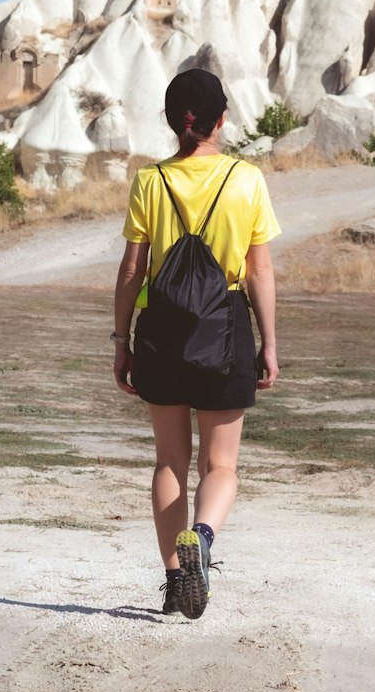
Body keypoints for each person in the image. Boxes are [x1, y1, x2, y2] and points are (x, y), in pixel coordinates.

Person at [113, 68, 280, 620]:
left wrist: (121, 341)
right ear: (222, 119)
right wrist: (270, 344)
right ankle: (202, 540)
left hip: (160, 327)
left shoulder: (149, 182)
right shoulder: (247, 179)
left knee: (168, 461)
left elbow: (132, 269)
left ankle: (172, 578)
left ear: (171, 120)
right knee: (221, 464)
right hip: (226, 326)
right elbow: (259, 274)